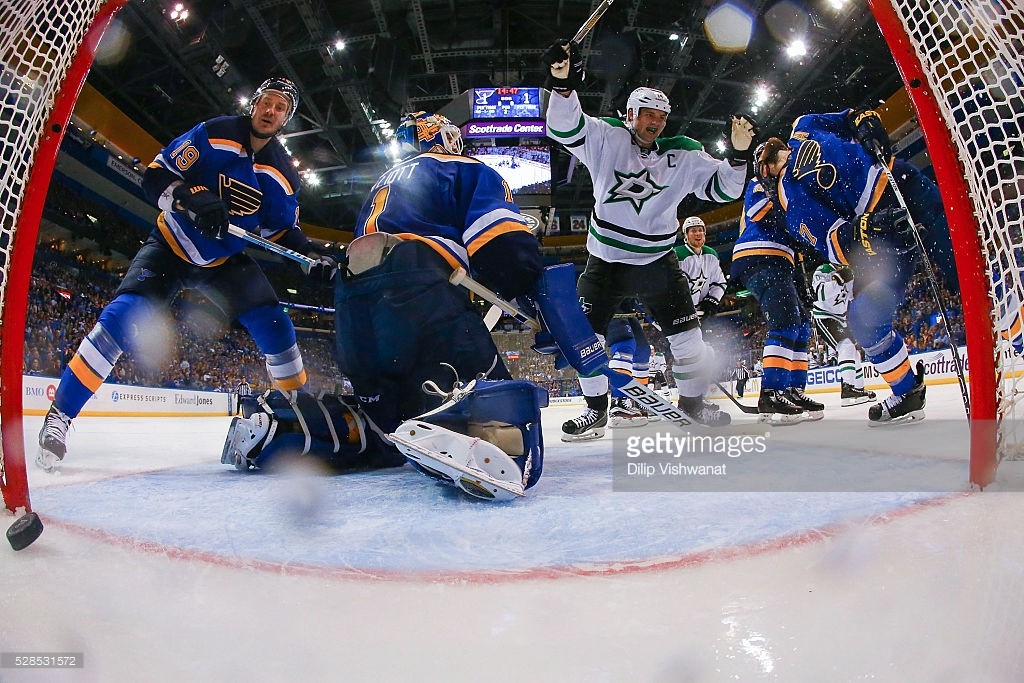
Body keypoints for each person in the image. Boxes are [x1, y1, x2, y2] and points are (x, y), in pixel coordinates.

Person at [222, 110, 607, 498]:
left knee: (383, 428)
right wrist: (535, 300)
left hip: (354, 308)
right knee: (503, 414)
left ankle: (282, 427)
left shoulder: (383, 184)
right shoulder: (466, 169)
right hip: (419, 293)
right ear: (444, 137)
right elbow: (502, 248)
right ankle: (468, 434)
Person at [37, 77, 332, 471]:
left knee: (277, 326)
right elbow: (156, 176)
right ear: (254, 104)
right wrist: (190, 196)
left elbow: (283, 232)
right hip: (172, 246)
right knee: (121, 319)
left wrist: (311, 254)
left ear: (286, 119)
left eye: (280, 108)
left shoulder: (283, 174)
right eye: (267, 102)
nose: (271, 111)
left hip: (224, 261)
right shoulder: (215, 133)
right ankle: (59, 417)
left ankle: (298, 421)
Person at [543, 38, 755, 438]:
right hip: (605, 262)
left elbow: (724, 190)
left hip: (658, 263)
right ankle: (597, 410)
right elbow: (564, 127)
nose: (653, 121)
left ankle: (692, 404)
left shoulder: (684, 153)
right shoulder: (607, 137)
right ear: (630, 115)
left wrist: (740, 156)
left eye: (660, 115)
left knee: (689, 341)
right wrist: (563, 85)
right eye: (646, 114)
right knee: (585, 339)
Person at [755, 105, 956, 424]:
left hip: (897, 181)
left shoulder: (804, 121)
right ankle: (907, 391)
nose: (765, 149)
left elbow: (853, 116)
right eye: (761, 158)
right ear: (765, 174)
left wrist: (867, 123)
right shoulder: (790, 205)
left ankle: (1012, 326)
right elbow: (835, 242)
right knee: (865, 321)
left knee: (964, 269)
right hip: (882, 243)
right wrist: (871, 227)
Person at [730, 176, 824, 423]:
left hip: (782, 261)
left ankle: (793, 391)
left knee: (802, 328)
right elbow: (759, 211)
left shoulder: (789, 186)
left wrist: (802, 285)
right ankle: (771, 393)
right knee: (785, 324)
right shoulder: (761, 180)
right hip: (760, 255)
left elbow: (797, 243)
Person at [810, 263, 877, 405]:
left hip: (840, 318)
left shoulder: (851, 272)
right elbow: (820, 294)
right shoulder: (823, 270)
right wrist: (838, 280)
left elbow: (855, 296)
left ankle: (858, 389)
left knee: (854, 352)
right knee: (845, 345)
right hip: (824, 316)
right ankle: (847, 389)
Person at [674, 216, 726, 320]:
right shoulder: (676, 255)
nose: (698, 234)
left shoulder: (712, 255)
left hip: (701, 312)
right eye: (693, 231)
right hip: (679, 312)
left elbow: (719, 283)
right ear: (686, 235)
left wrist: (711, 301)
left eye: (700, 230)